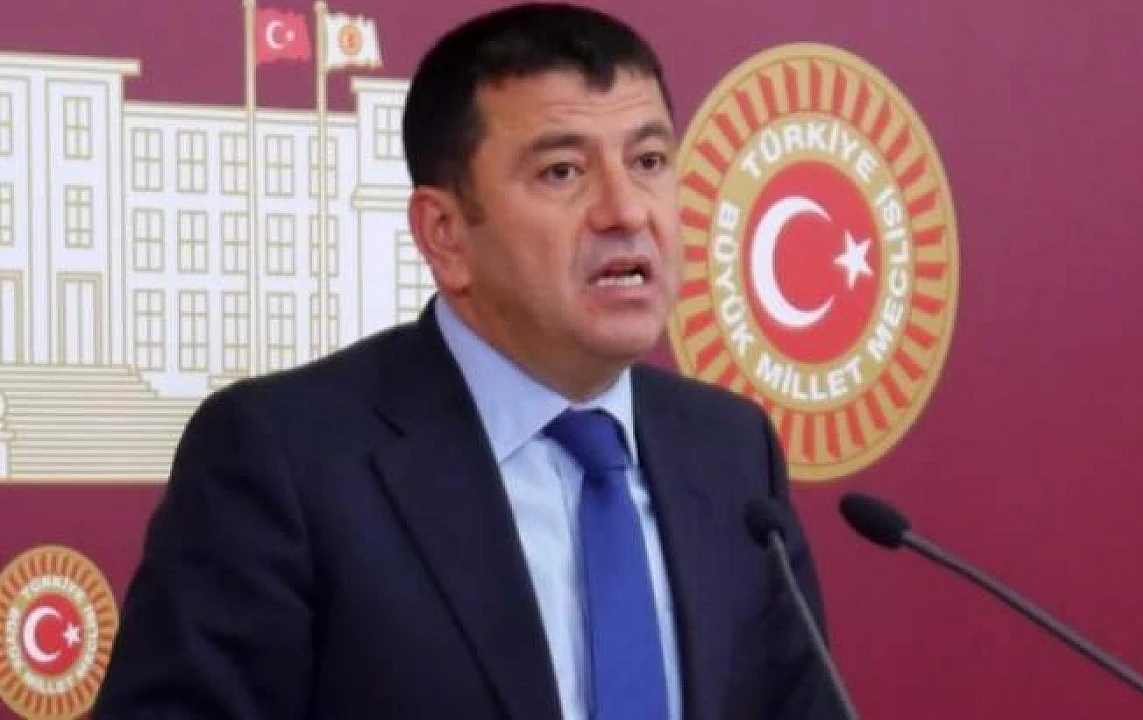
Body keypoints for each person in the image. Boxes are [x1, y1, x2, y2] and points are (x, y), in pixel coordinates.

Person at [95, 3, 840, 718]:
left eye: (649, 160)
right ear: (445, 234)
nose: (627, 210)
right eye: (562, 172)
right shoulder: (286, 459)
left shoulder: (730, 451)